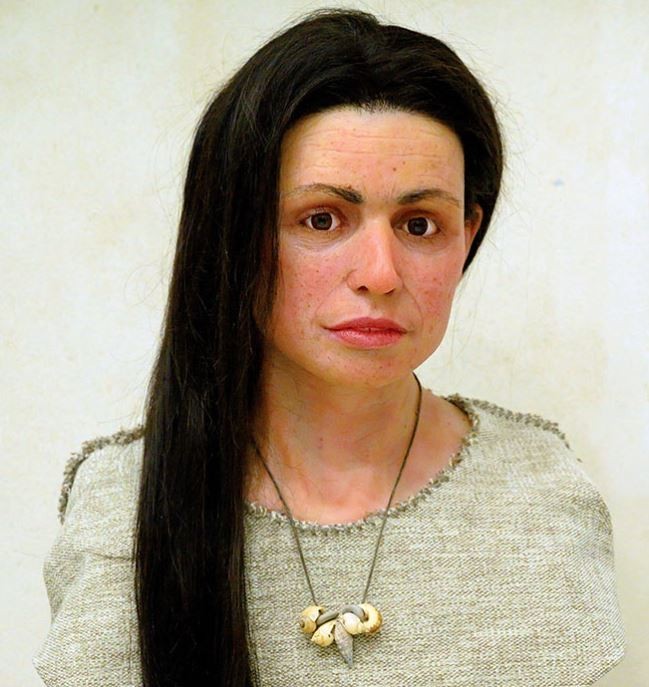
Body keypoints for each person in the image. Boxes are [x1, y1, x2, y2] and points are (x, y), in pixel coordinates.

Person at [33, 8, 624, 687]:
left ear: (467, 235)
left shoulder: (542, 491)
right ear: (233, 231)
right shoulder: (121, 501)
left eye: (419, 224)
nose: (380, 273)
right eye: (321, 219)